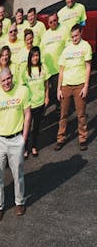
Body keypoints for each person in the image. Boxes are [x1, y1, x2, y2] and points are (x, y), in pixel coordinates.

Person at [0, 67, 31, 220]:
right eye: (3, 80)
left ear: (12, 77)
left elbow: (27, 114)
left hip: (17, 138)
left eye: (8, 78)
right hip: (0, 140)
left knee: (18, 174)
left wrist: (24, 138)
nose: (6, 82)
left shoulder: (22, 91)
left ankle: (19, 202)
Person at [54, 23, 91, 151]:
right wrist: (58, 89)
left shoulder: (86, 46)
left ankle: (83, 139)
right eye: (73, 36)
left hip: (79, 85)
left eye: (76, 35)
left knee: (81, 114)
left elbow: (88, 67)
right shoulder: (66, 49)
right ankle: (60, 138)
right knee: (63, 115)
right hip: (66, 86)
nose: (75, 38)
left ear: (81, 33)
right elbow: (61, 70)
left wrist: (86, 86)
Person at [24, 46, 49, 157]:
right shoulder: (25, 70)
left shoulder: (43, 67)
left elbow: (46, 85)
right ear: (30, 57)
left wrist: (46, 97)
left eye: (37, 55)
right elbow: (23, 88)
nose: (35, 58)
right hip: (29, 104)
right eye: (33, 55)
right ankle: (25, 148)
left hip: (40, 103)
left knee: (36, 127)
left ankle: (34, 146)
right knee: (26, 128)